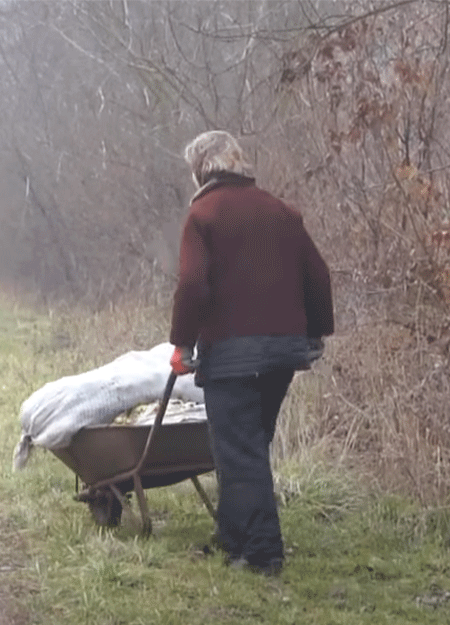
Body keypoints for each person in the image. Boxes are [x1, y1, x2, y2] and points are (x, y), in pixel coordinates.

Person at [168, 130, 334, 576]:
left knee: (239, 452)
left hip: (231, 353)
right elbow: (317, 275)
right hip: (283, 352)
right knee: (249, 447)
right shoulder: (282, 211)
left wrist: (182, 344)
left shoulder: (204, 215)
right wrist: (317, 333)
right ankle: (233, 539)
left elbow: (191, 284)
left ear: (201, 168)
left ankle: (262, 555)